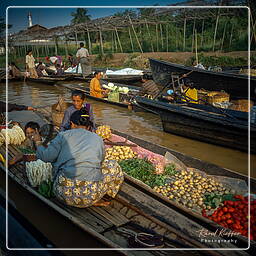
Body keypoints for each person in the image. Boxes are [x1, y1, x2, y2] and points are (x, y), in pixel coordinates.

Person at [32, 109, 124, 208]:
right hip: (91, 196)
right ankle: (102, 196)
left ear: (71, 123)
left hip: (63, 194)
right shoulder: (98, 139)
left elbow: (46, 157)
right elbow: (100, 161)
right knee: (113, 165)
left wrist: (38, 142)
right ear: (88, 126)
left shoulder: (62, 136)